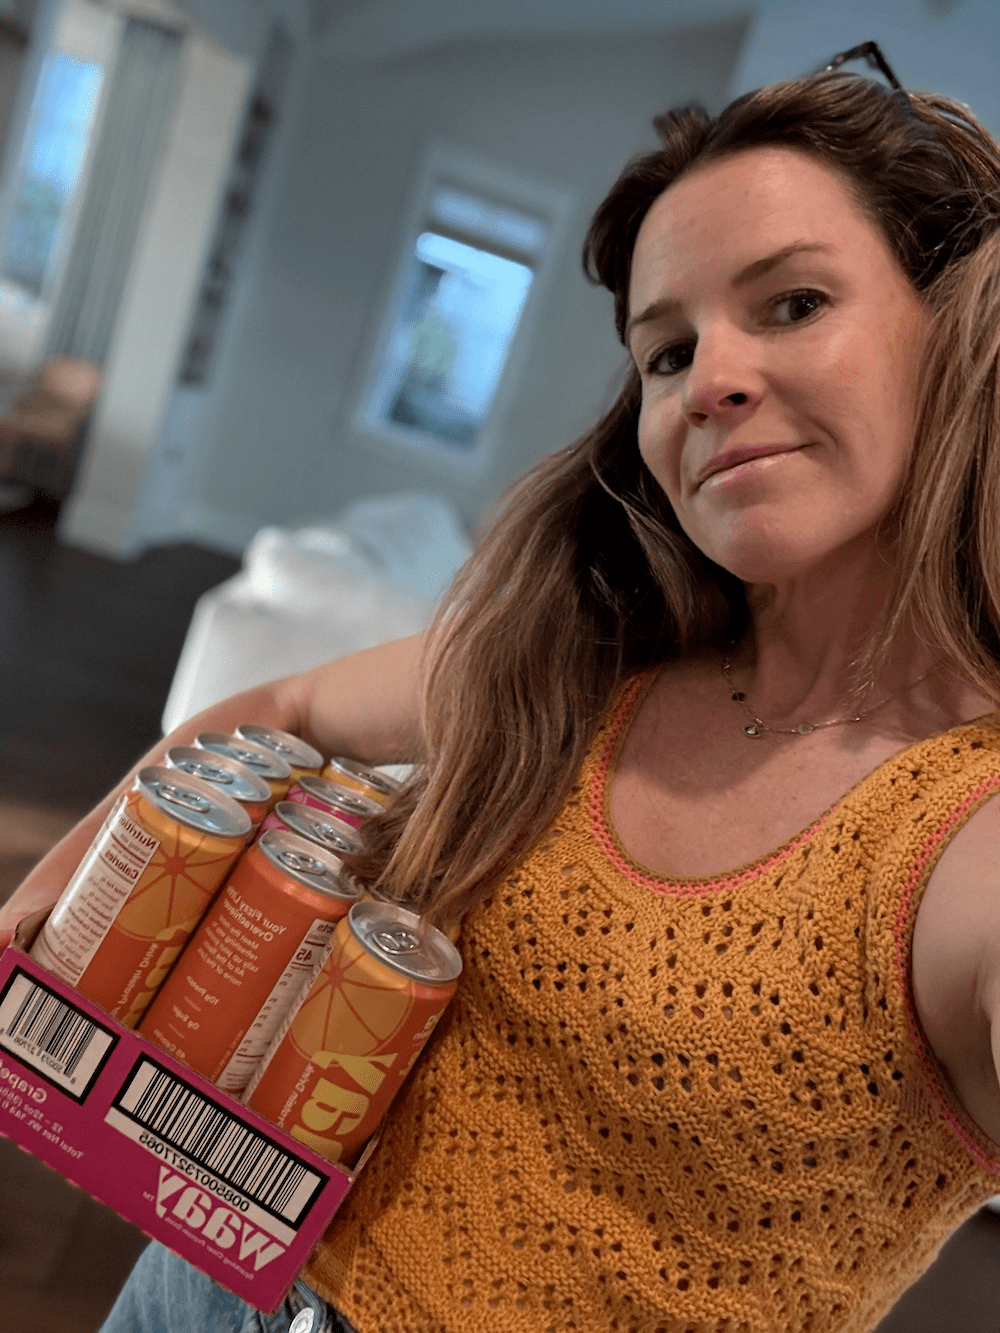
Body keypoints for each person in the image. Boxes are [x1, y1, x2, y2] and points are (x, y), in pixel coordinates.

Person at [5, 55, 1000, 1333]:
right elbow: (294, 707)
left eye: (793, 302)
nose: (708, 382)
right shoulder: (591, 662)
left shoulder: (963, 838)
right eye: (666, 351)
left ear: (960, 327)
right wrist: (52, 902)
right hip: (210, 1287)